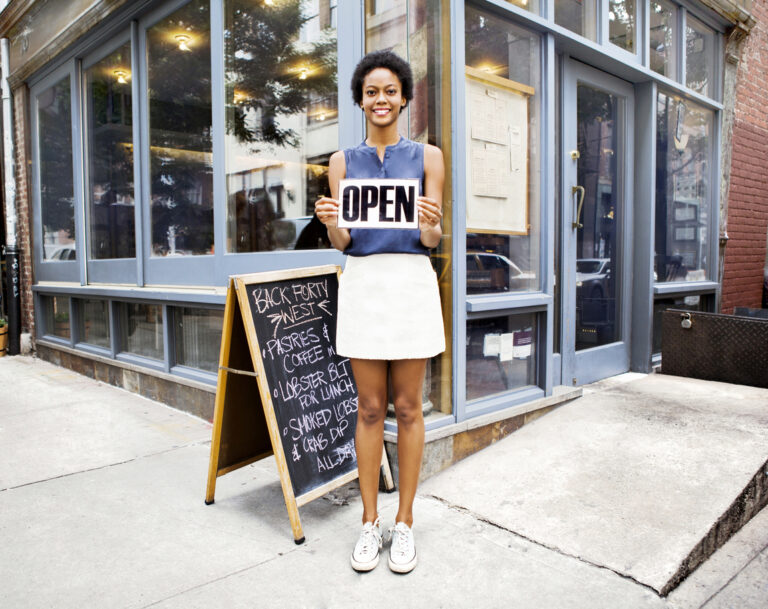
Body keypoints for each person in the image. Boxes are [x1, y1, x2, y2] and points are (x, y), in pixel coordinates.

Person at [314, 50, 445, 574]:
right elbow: (345, 240)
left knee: (409, 408)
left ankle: (405, 521)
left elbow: (430, 239)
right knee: (369, 408)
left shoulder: (429, 157)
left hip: (412, 282)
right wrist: (329, 221)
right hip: (365, 283)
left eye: (390, 90)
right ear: (360, 101)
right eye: (371, 91)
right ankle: (369, 522)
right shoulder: (341, 163)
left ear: (405, 97)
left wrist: (432, 222)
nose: (381, 99)